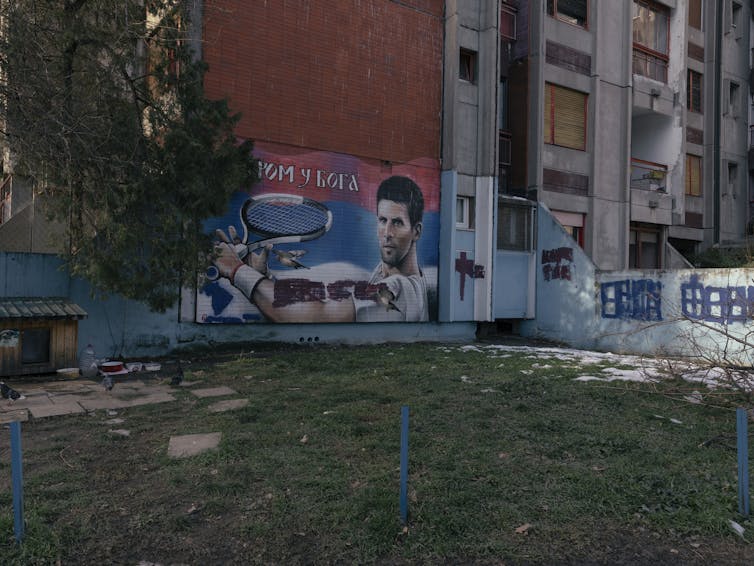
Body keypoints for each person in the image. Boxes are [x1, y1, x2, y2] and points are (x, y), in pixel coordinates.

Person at [212, 175, 429, 322]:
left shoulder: (401, 288)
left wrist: (236, 270)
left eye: (397, 223)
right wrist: (261, 276)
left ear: (416, 231)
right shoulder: (384, 274)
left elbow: (315, 313)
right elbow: (305, 300)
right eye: (382, 220)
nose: (387, 232)